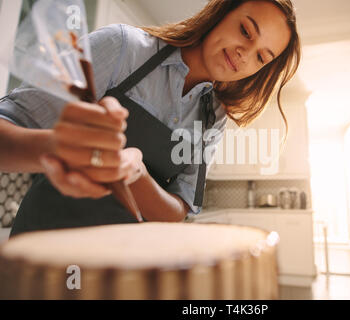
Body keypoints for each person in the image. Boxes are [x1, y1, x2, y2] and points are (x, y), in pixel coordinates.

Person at [0, 0, 301, 237]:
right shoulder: (124, 49)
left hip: (126, 267)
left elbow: (177, 211)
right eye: (246, 31)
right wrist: (61, 147)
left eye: (262, 57)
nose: (245, 54)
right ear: (221, 11)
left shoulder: (214, 117)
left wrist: (136, 175)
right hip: (45, 250)